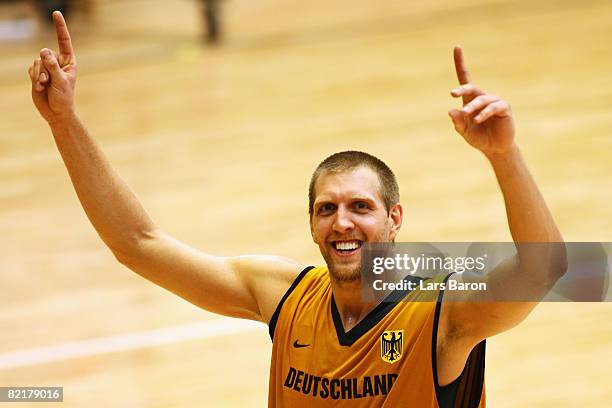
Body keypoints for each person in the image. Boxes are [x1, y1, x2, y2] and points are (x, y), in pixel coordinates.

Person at [28, 11, 566, 408]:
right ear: (311, 225)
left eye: (361, 206)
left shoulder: (443, 314)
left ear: (395, 219)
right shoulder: (283, 295)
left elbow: (545, 269)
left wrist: (504, 156)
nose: (343, 221)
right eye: (327, 208)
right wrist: (64, 123)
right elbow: (138, 244)